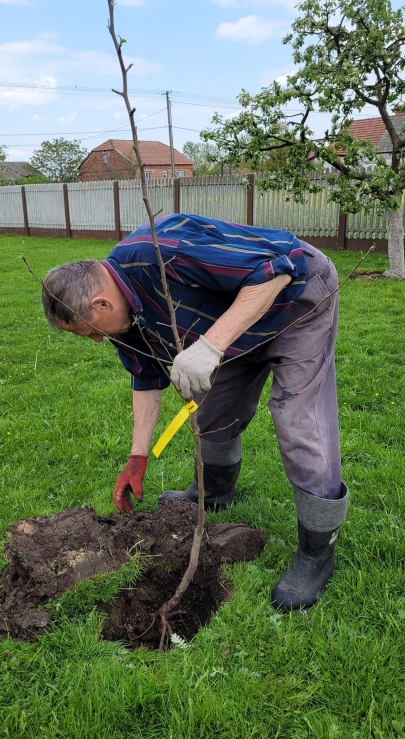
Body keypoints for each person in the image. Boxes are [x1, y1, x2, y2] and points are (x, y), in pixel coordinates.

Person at [41, 213, 349, 611]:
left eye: (91, 331)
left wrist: (210, 346)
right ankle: (217, 491)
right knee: (215, 410)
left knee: (298, 420)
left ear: (100, 303)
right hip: (234, 324)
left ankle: (316, 553)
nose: (98, 339)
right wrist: (137, 459)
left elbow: (277, 267)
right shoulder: (124, 314)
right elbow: (146, 376)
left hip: (297, 303)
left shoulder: (165, 251)